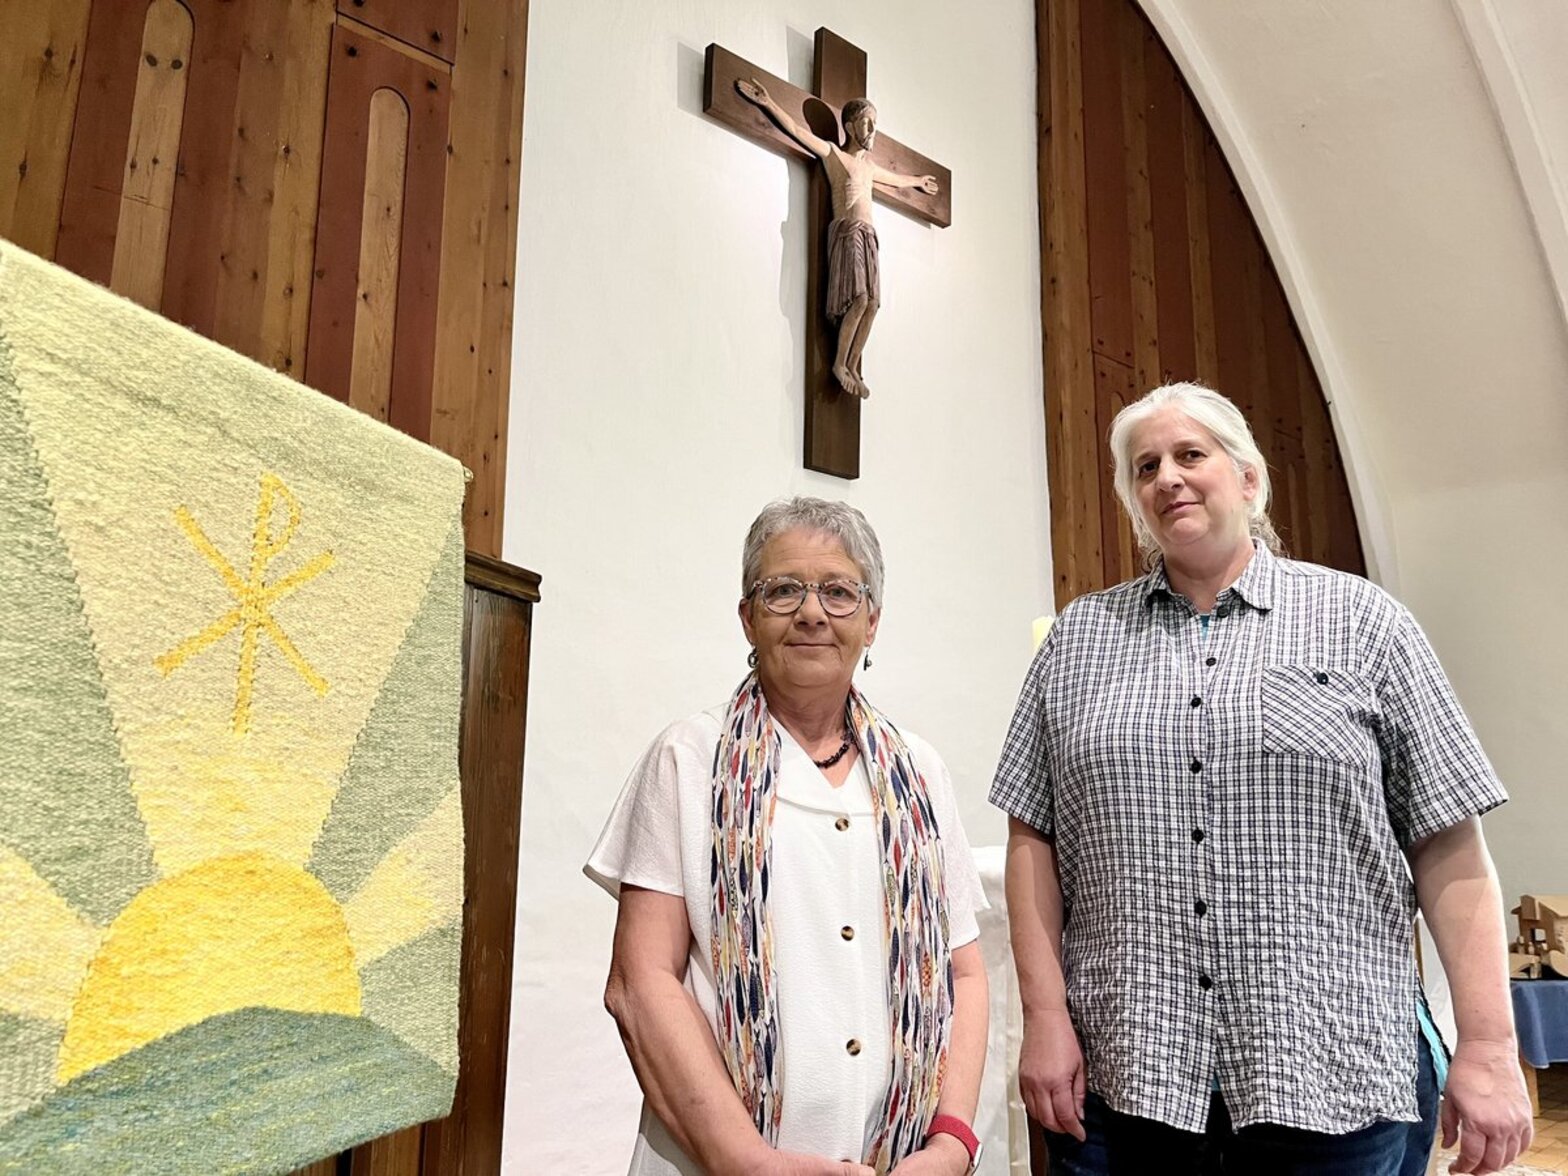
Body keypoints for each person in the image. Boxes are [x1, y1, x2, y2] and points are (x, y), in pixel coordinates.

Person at [992, 383, 1533, 1175]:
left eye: (1190, 455)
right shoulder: (1078, 641)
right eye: (1146, 468)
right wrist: (1044, 1017)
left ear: (1248, 479)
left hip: (1330, 1074)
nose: (1168, 478)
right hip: (1127, 1077)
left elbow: (1448, 842)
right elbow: (1031, 835)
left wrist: (1488, 1046)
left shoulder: (1365, 623)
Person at [588, 497, 989, 1175]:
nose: (811, 612)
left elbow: (965, 974)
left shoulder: (919, 771)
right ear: (747, 616)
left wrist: (951, 1145)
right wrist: (745, 1161)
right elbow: (640, 981)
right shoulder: (689, 758)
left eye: (838, 591)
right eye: (783, 591)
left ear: (873, 620)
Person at [735, 80, 938, 399]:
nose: (872, 129)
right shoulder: (833, 155)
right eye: (866, 121)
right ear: (849, 125)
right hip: (848, 232)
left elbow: (896, 181)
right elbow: (796, 131)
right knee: (858, 298)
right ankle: (839, 364)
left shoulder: (868, 167)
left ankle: (854, 366)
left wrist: (918, 182)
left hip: (869, 236)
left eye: (874, 123)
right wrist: (768, 103)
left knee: (873, 304)